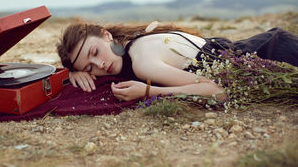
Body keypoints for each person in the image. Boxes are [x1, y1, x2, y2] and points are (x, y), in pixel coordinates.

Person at [56, 21, 298, 102]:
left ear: (107, 36)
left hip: (276, 55)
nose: (99, 66)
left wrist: (149, 92)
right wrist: (71, 73)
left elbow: (217, 91)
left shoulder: (141, 62)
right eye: (89, 68)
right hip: (267, 43)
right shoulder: (134, 41)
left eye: (95, 52)